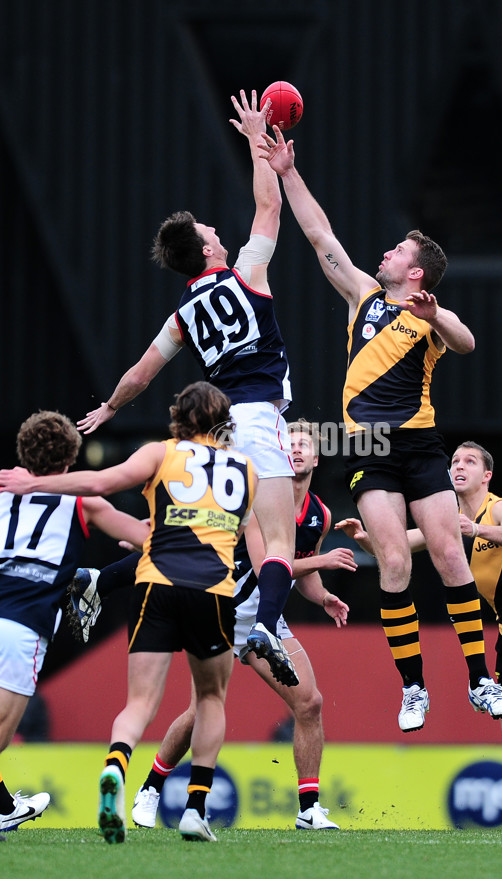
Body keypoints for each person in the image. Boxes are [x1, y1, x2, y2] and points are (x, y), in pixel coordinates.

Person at [257, 126, 502, 732]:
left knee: (451, 552)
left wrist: (438, 315)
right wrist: (288, 170)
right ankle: (414, 689)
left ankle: (481, 681)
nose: (386, 254)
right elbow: (320, 237)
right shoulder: (365, 297)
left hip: (421, 445)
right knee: (395, 564)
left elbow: (467, 342)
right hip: (369, 448)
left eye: (398, 251)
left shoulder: (430, 318)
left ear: (418, 272)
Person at [75, 89, 298, 687]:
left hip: (219, 435)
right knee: (279, 540)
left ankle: (101, 579)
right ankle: (268, 628)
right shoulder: (245, 270)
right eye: (209, 230)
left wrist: (107, 407)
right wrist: (257, 144)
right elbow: (269, 209)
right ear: (206, 249)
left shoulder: (182, 312)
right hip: (258, 416)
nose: (218, 229)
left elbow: (141, 374)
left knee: (201, 533)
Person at [0, 382, 257, 844]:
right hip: (213, 590)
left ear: (180, 416)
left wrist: (33, 483)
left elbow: (102, 482)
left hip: (156, 585)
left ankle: (116, 771)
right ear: (223, 421)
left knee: (138, 704)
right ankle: (196, 808)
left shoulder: (161, 453)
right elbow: (228, 534)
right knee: (211, 699)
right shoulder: (247, 470)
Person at [70, 419, 353, 830]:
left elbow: (299, 573)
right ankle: (151, 788)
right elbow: (268, 564)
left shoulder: (319, 514)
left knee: (309, 703)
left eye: (303, 444)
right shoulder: (255, 495)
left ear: (316, 456)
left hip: (267, 617)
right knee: (199, 712)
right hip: (224, 607)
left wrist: (323, 594)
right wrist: (321, 561)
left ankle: (309, 807)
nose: (294, 450)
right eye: (287, 442)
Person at [338, 440, 502, 832]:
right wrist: (364, 539)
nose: (459, 466)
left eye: (470, 461)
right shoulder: (449, 518)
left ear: (486, 475)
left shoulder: (500, 507)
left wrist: (475, 528)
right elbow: (396, 546)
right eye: (454, 461)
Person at [0, 410, 148, 837]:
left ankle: (6, 807)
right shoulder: (84, 502)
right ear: (70, 462)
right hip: (22, 629)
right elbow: (154, 542)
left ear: (22, 453)